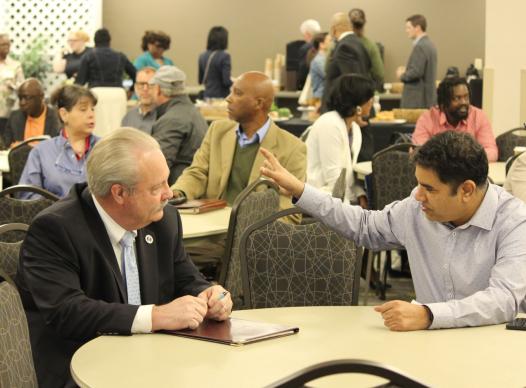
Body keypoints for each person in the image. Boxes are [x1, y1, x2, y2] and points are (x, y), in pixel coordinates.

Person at [15, 127, 233, 388]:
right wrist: (155, 316)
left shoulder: (164, 221)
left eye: (167, 180)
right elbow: (68, 312)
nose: (170, 194)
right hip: (79, 367)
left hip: (150, 361)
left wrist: (210, 294)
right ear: (119, 193)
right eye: (156, 187)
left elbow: (185, 276)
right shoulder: (56, 229)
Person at [260, 130, 526, 331]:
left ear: (467, 190)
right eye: (418, 184)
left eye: (430, 189)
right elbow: (365, 226)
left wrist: (429, 314)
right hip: (427, 346)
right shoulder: (416, 209)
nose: (418, 196)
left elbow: (503, 300)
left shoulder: (514, 221)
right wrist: (301, 191)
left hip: (489, 349)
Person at [172, 71, 306, 210]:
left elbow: (288, 213)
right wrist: (178, 192)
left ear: (258, 103)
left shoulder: (292, 148)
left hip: (255, 229)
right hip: (211, 222)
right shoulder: (217, 131)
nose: (228, 99)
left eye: (238, 93)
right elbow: (197, 173)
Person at [18, 85, 99, 198]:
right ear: (64, 114)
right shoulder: (41, 152)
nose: (91, 115)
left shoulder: (105, 149)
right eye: (83, 109)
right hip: (53, 214)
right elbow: (27, 196)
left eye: (92, 109)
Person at [306, 74, 373, 206]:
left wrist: (359, 193)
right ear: (357, 103)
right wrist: (350, 214)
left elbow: (346, 173)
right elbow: (334, 177)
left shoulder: (354, 128)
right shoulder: (330, 123)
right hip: (316, 195)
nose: (372, 102)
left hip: (336, 197)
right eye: (368, 98)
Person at [413, 76, 498, 162]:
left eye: (466, 97)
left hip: (470, 172)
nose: (464, 102)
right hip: (438, 173)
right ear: (443, 104)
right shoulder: (427, 118)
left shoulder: (479, 116)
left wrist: (465, 160)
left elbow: (492, 151)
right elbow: (419, 151)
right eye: (457, 98)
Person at [149, 66, 207, 185]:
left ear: (158, 89)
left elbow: (157, 167)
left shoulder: (171, 120)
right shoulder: (193, 112)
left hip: (177, 192)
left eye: (152, 87)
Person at [76, 28, 136, 137]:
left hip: (96, 94)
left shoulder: (89, 56)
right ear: (109, 41)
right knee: (118, 127)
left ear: (95, 41)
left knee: (98, 128)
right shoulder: (120, 56)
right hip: (118, 93)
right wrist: (131, 90)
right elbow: (135, 74)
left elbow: (79, 82)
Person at [323, 12, 371, 111]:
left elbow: (352, 83)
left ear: (334, 28)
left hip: (343, 113)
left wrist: (357, 113)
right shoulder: (360, 44)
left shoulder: (344, 46)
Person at [4, 78, 60, 148]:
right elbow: (7, 145)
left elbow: (58, 148)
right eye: (20, 98)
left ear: (41, 96)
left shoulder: (57, 118)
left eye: (27, 97)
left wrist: (26, 147)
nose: (22, 102)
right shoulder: (15, 117)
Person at [397, 14, 437, 108]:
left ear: (418, 28)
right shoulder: (430, 45)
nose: (406, 31)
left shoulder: (420, 46)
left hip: (417, 101)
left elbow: (416, 72)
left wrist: (402, 75)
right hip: (427, 99)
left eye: (408, 28)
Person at [349, 8, 384, 91]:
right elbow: (379, 73)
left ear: (349, 23)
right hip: (364, 92)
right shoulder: (370, 45)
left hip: (343, 94)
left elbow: (327, 69)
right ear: (364, 23)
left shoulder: (338, 44)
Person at [198, 26, 233, 99]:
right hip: (221, 97)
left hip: (207, 97)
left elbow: (200, 80)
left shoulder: (202, 56)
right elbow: (226, 82)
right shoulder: (225, 56)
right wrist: (235, 82)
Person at [0, 33, 24, 136]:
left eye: (8, 45)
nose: (6, 47)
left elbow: (23, 85)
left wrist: (14, 86)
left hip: (8, 110)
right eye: (3, 44)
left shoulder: (15, 65)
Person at [121, 67, 157, 134]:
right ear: (135, 87)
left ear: (158, 87)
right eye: (141, 84)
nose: (145, 89)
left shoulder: (165, 117)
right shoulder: (128, 117)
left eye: (151, 84)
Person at [297, 19, 321, 90]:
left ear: (307, 33)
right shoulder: (324, 45)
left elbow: (303, 71)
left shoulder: (305, 48)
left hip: (310, 87)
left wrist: (299, 86)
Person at [308, 32, 330, 100]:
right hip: (320, 98)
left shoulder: (325, 59)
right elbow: (329, 75)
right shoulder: (318, 61)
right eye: (330, 40)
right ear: (321, 45)